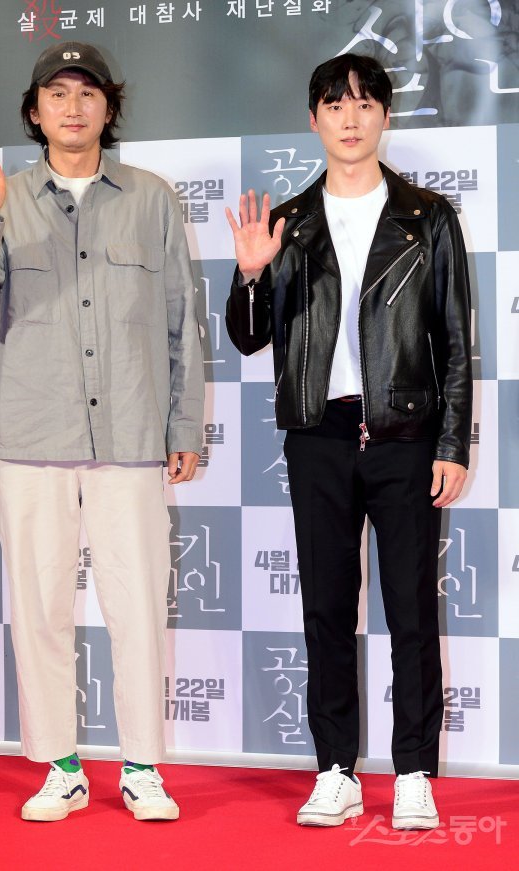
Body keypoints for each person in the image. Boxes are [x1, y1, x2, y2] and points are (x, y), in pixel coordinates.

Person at [0, 41, 204, 823]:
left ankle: (142, 767)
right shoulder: (4, 198)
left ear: (108, 107)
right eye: (56, 93)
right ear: (34, 112)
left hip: (130, 435)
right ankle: (61, 767)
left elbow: (181, 321)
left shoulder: (151, 198)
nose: (73, 106)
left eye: (87, 92)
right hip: (33, 437)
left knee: (138, 608)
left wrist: (183, 424)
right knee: (41, 607)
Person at [226, 53, 472, 830]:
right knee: (327, 609)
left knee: (412, 612)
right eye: (336, 104)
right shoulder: (289, 222)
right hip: (319, 435)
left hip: (406, 432)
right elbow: (248, 337)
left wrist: (453, 442)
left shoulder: (427, 217)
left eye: (365, 103)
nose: (351, 118)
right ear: (314, 120)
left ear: (386, 116)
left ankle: (414, 772)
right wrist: (251, 275)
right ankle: (335, 768)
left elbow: (456, 343)